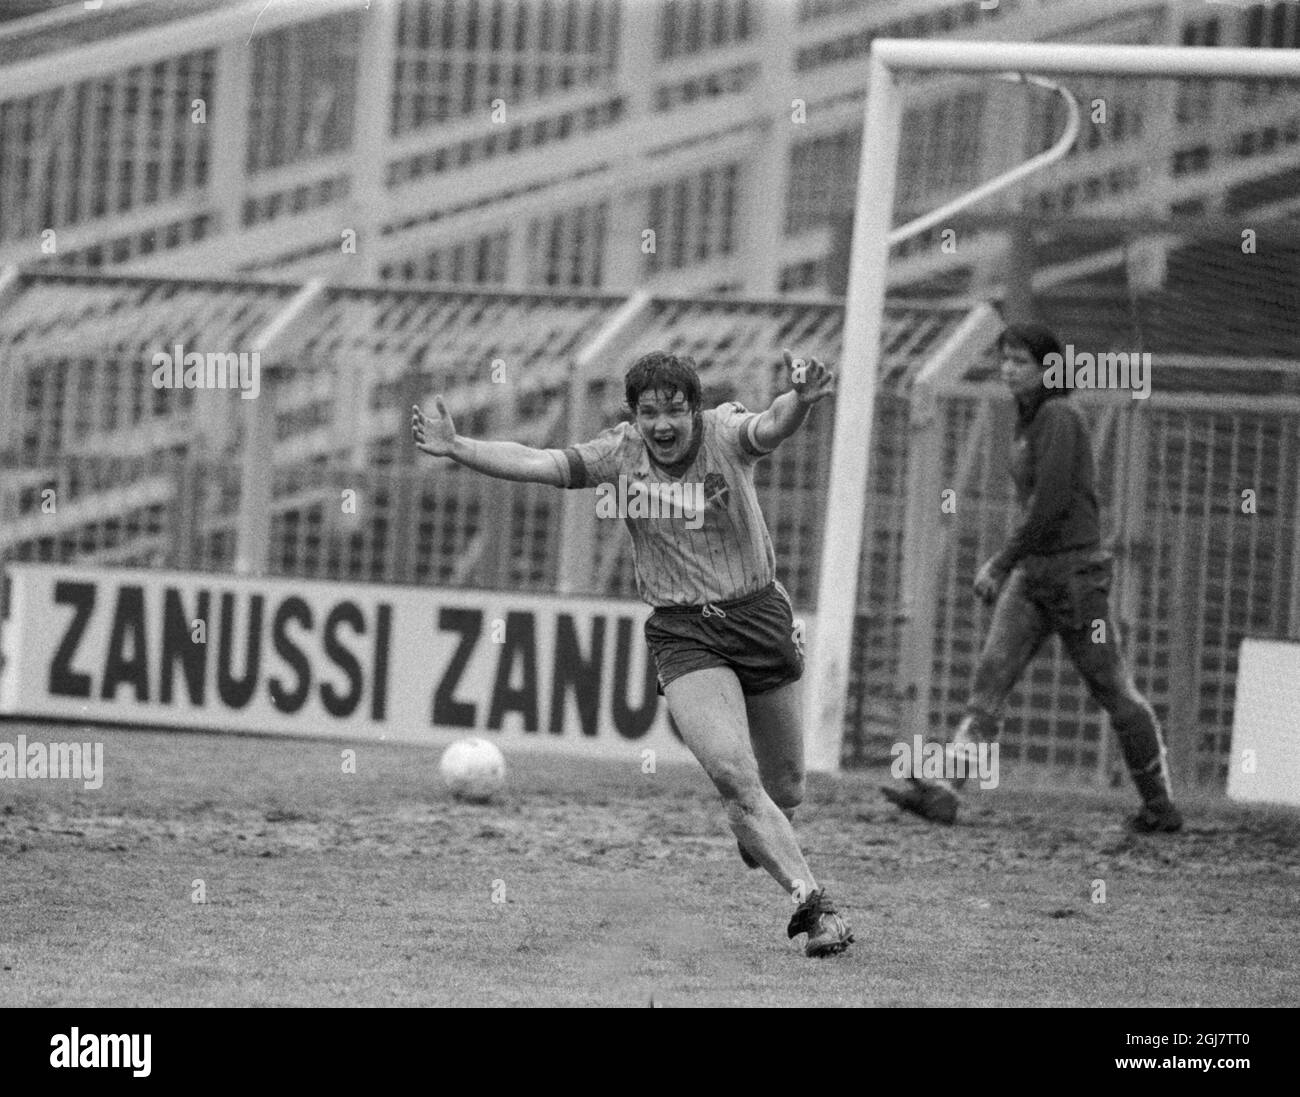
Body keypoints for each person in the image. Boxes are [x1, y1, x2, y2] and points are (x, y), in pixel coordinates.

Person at [412, 349, 854, 956]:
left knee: (787, 787)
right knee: (733, 775)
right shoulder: (620, 454)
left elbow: (772, 423)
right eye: (650, 413)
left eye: (674, 411)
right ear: (635, 416)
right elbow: (538, 460)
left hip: (759, 619)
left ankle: (763, 829)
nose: (663, 425)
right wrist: (461, 447)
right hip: (683, 631)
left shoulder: (726, 434)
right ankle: (813, 905)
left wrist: (802, 400)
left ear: (695, 410)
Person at [881, 323, 1183, 834]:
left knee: (1113, 687)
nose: (1007, 369)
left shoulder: (1060, 416)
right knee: (989, 683)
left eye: (1020, 361)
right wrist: (1014, 564)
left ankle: (1160, 803)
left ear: (1049, 368)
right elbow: (1040, 508)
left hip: (1075, 577)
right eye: (1005, 360)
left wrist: (1000, 562)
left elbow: (1051, 504)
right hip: (1035, 576)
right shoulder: (1034, 417)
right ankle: (948, 792)